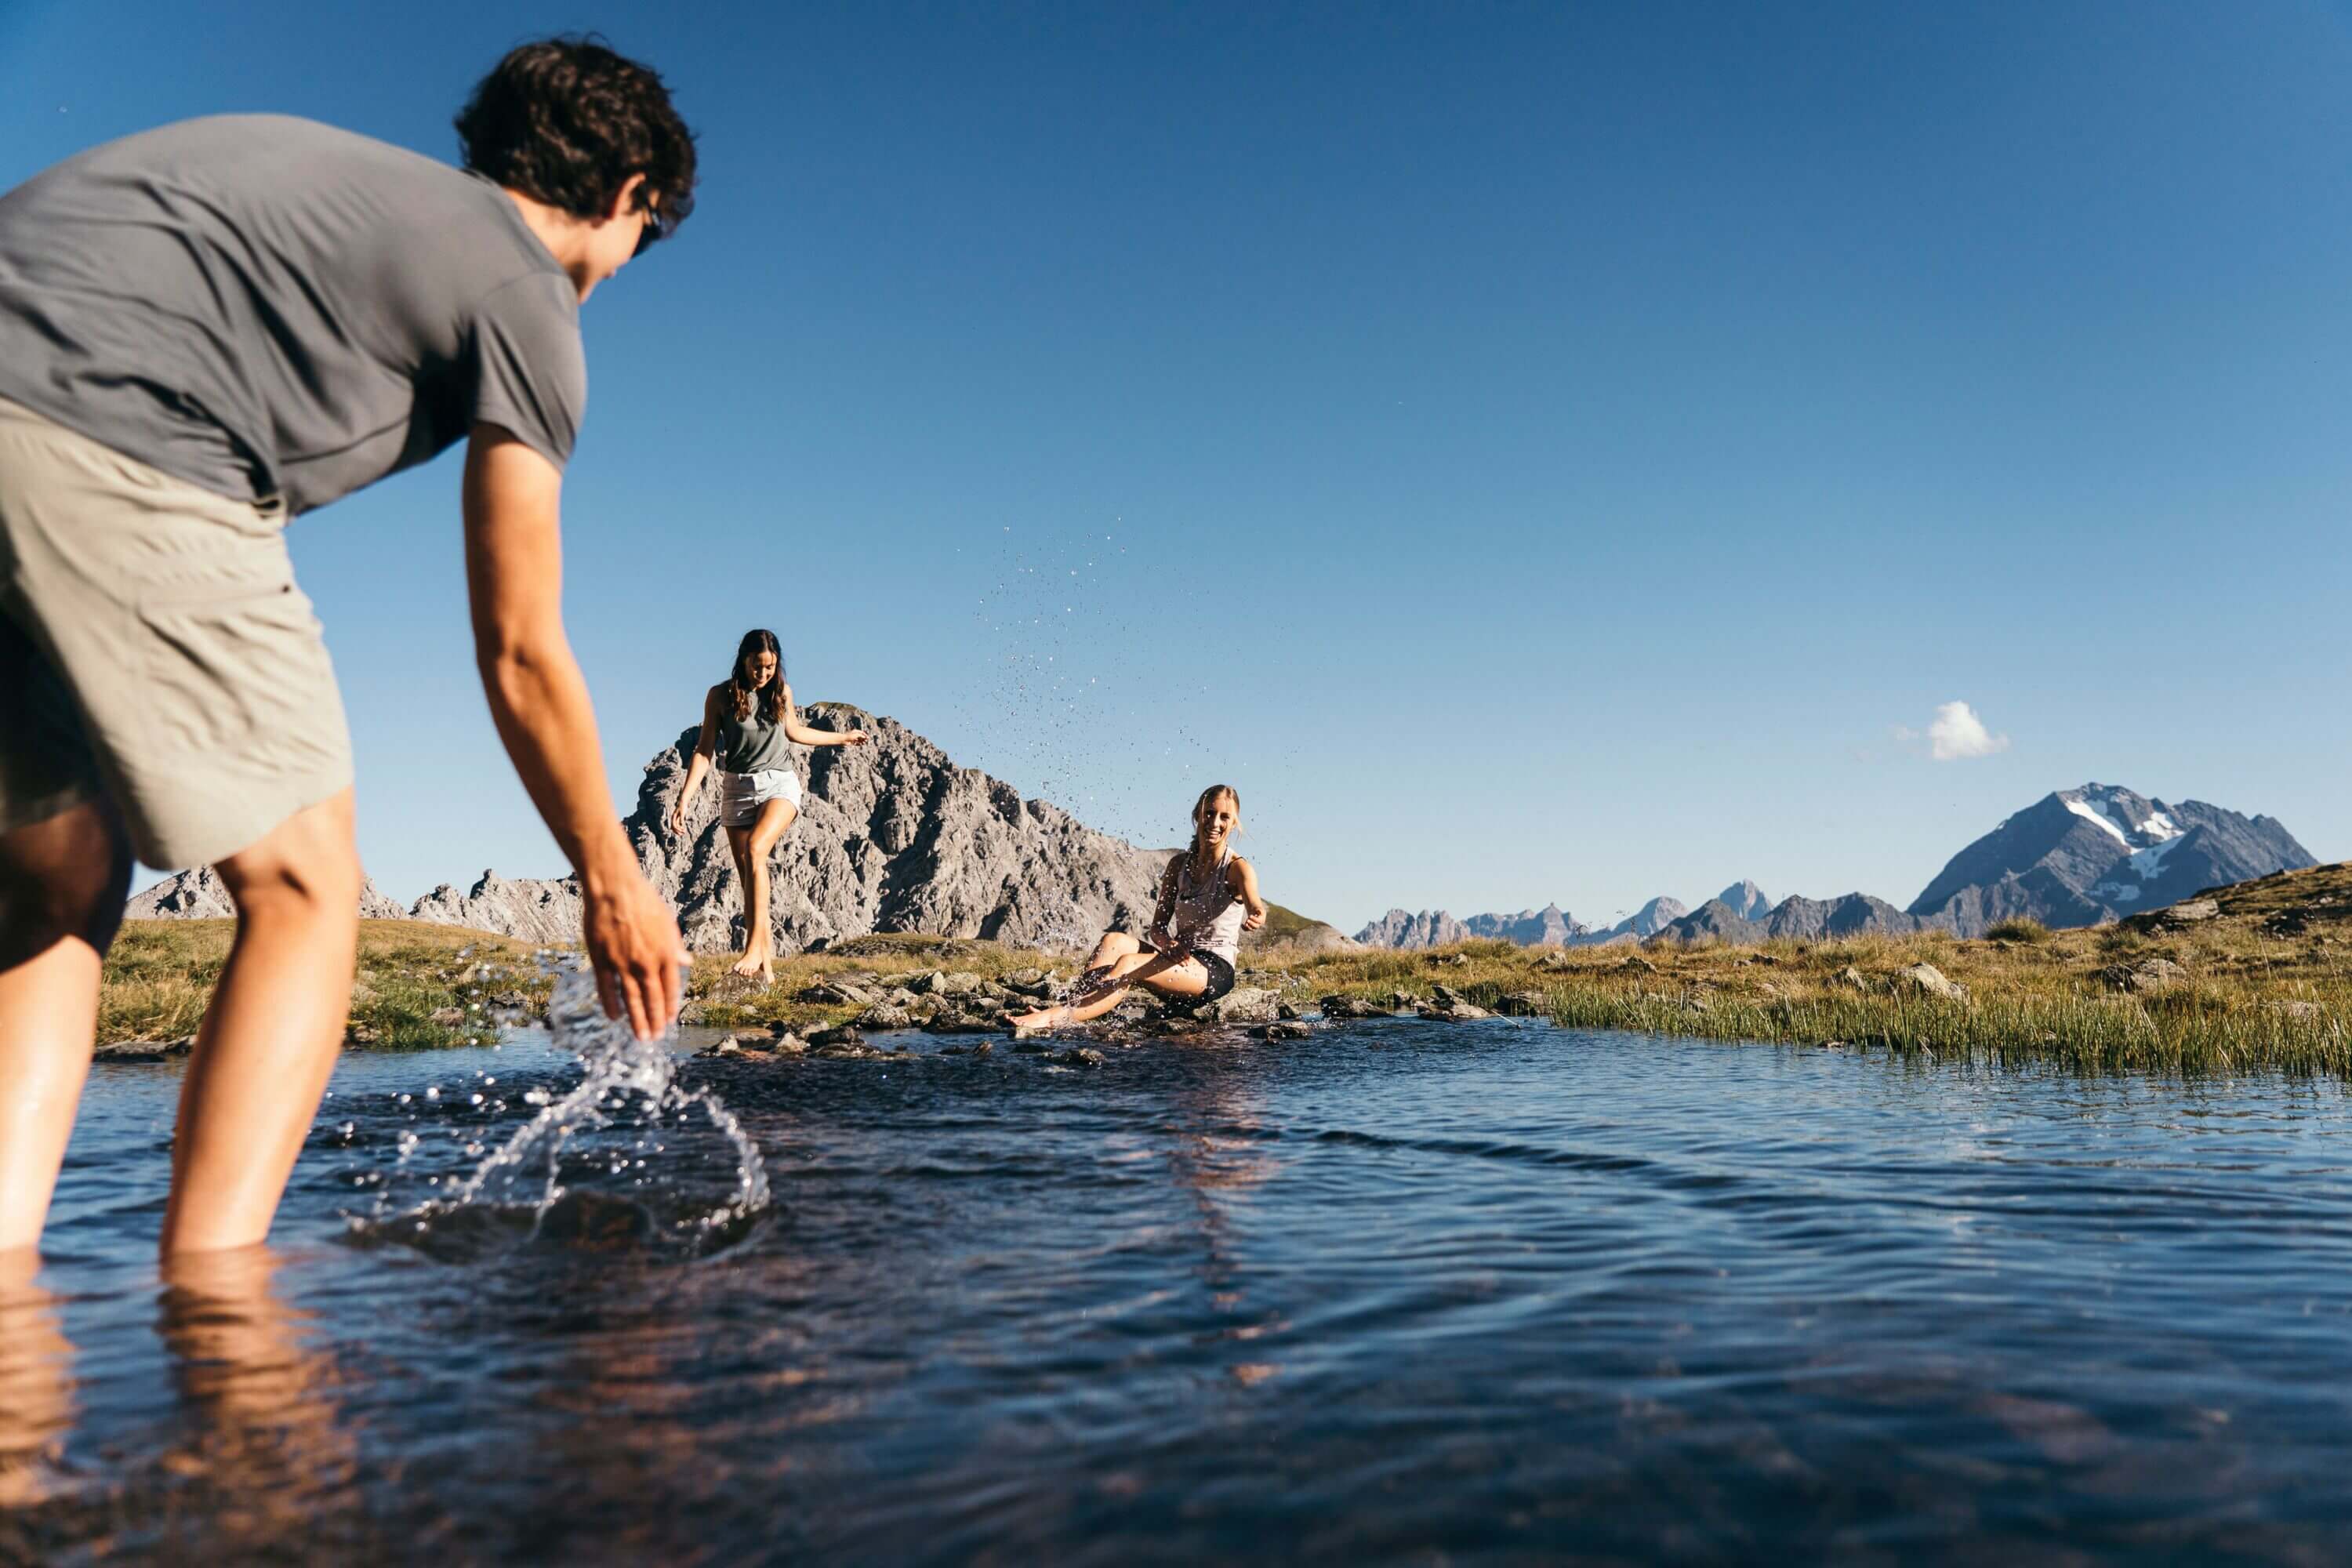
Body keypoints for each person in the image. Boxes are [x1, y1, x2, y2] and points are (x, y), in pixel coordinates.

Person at [0, 38, 695, 1258]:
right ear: (629, 191)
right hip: (119, 437)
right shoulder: (522, 283)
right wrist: (612, 879)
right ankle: (222, 1331)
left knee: (54, 886)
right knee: (309, 883)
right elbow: (521, 644)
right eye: (646, 235)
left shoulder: (336, 181)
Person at [666, 630, 869, 983]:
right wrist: (685, 798)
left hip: (779, 782)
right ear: (743, 661)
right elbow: (704, 750)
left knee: (757, 851)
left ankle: (752, 949)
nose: (763, 674)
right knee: (749, 879)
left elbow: (796, 732)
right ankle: (766, 967)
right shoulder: (719, 696)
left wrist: (843, 738)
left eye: (770, 667)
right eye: (758, 667)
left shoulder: (781, 692)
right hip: (737, 788)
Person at [1007, 785, 1267, 1031]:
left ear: (1233, 823)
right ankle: (1073, 1008)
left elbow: (1256, 905)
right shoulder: (1178, 866)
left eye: (1224, 817)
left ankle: (1054, 1019)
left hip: (1211, 973)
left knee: (1127, 964)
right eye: (1209, 813)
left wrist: (1256, 915)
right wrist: (1167, 944)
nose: (1215, 822)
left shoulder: (1237, 868)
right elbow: (1157, 929)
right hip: (1176, 961)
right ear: (1197, 815)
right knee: (1114, 941)